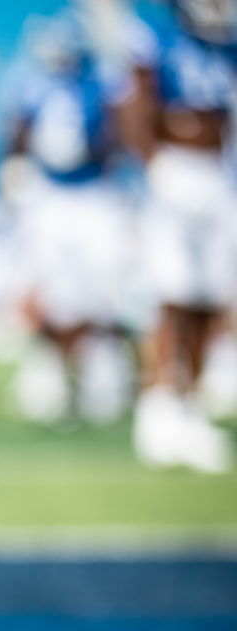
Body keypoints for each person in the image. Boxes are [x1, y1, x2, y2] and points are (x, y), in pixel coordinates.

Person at [1, 12, 137, 426]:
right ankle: (55, 372)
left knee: (107, 288)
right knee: (52, 289)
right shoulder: (31, 85)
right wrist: (15, 169)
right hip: (51, 196)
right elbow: (18, 134)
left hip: (96, 193)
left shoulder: (102, 84)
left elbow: (120, 133)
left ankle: (106, 371)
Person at [119, 0, 236, 472]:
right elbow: (134, 105)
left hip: (219, 175)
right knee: (171, 295)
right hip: (174, 173)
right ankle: (159, 405)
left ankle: (191, 405)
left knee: (208, 299)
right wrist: (155, 161)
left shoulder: (225, 40)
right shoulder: (155, 34)